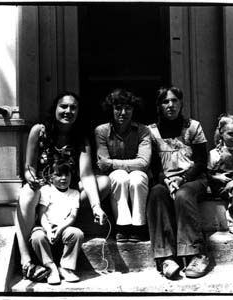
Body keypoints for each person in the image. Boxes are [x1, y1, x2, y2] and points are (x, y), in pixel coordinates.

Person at [14, 91, 110, 281]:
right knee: (26, 193)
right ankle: (26, 259)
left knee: (105, 182)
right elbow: (29, 168)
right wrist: (31, 177)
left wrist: (96, 206)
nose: (68, 111)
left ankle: (64, 223)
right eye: (64, 106)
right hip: (43, 193)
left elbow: (87, 175)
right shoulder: (39, 131)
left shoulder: (81, 139)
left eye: (73, 107)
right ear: (55, 109)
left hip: (68, 194)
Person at [146, 86, 210, 280]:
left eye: (174, 101)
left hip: (193, 179)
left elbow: (201, 161)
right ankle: (166, 257)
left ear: (181, 103)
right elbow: (154, 166)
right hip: (166, 181)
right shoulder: (151, 131)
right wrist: (166, 180)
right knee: (156, 194)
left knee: (183, 194)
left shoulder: (193, 127)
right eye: (165, 102)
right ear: (159, 106)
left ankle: (196, 254)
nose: (171, 105)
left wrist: (182, 178)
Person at [95, 88, 151, 242]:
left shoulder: (143, 130)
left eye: (128, 108)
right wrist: (126, 165)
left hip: (138, 174)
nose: (123, 112)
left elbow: (144, 163)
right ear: (111, 109)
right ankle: (122, 225)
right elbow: (102, 164)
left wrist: (112, 163)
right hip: (115, 177)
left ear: (134, 110)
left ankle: (139, 226)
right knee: (120, 177)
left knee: (137, 178)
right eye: (118, 108)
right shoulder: (101, 131)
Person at [30, 160, 83, 285]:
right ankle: (51, 267)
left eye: (67, 175)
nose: (64, 178)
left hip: (64, 227)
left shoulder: (74, 193)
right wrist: (48, 230)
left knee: (76, 233)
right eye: (59, 175)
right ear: (50, 177)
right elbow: (42, 213)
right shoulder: (46, 190)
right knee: (37, 237)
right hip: (45, 226)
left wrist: (60, 229)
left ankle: (66, 267)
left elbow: (72, 216)